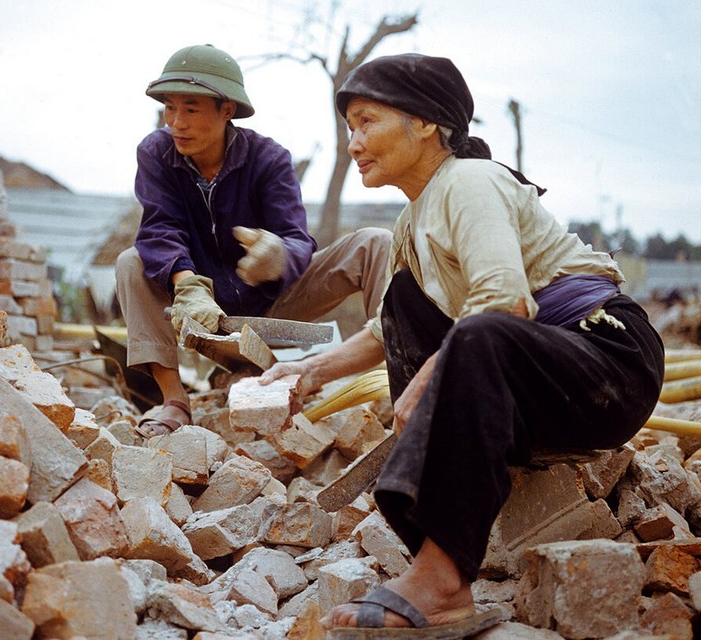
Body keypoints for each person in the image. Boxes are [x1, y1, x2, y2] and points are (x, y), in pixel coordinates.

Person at [259, 53, 664, 635]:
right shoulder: (411, 222)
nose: (354, 142)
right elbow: (384, 332)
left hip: (607, 364)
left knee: (477, 331)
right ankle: (440, 540)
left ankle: (443, 579)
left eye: (367, 121)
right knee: (402, 302)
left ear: (424, 123)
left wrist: (430, 381)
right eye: (350, 128)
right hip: (535, 375)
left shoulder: (470, 181)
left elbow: (505, 302)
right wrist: (306, 372)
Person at [115, 44, 391, 438]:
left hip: (275, 306)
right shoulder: (155, 152)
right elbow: (160, 227)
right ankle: (175, 401)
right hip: (203, 311)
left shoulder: (268, 157)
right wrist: (187, 284)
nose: (176, 122)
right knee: (130, 261)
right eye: (169, 108)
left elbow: (298, 239)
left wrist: (278, 256)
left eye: (190, 109)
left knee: (375, 241)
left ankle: (397, 373)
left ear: (227, 110)